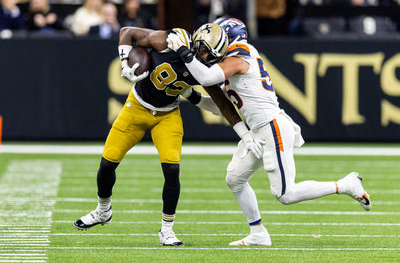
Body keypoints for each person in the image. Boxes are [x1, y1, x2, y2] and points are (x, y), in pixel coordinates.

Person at [166, 17, 372, 246]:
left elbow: (206, 77)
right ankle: (258, 233)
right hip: (257, 130)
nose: (211, 49)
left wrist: (183, 52)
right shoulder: (228, 62)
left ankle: (345, 185)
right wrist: (188, 95)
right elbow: (219, 106)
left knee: (285, 193)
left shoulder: (240, 55)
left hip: (272, 126)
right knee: (235, 179)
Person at [73, 24, 262, 246]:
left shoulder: (203, 69)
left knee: (172, 170)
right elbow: (127, 32)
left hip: (167, 114)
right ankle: (103, 210)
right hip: (137, 106)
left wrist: (244, 134)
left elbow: (222, 105)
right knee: (107, 164)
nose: (205, 58)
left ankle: (167, 230)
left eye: (211, 56)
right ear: (196, 41)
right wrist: (125, 63)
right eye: (203, 51)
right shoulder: (168, 41)